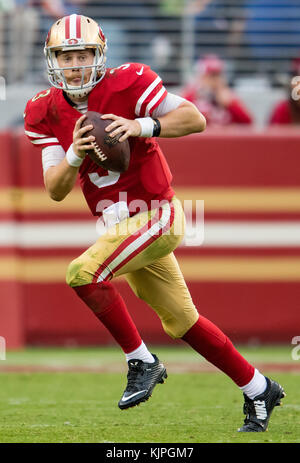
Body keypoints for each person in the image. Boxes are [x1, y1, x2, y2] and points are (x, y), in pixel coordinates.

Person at [24, 14, 285, 432]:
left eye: (82, 54)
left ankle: (141, 361)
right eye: (65, 56)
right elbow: (55, 189)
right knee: (182, 321)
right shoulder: (43, 109)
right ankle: (259, 389)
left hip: (157, 215)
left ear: (99, 55)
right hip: (119, 228)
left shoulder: (128, 83)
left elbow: (195, 118)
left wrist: (141, 125)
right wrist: (73, 153)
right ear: (53, 60)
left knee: (82, 272)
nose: (74, 64)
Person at [181, 55, 253, 126]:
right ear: (202, 76)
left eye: (218, 75)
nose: (215, 80)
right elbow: (181, 117)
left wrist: (231, 105)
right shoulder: (193, 95)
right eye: (211, 76)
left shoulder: (228, 97)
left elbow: (248, 122)